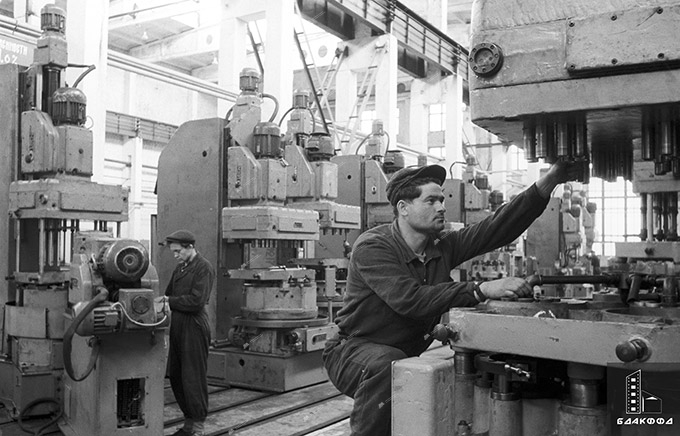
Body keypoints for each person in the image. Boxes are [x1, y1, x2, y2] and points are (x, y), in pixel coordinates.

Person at [322, 161, 577, 436]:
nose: (442, 206)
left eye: (442, 199)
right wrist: (480, 290)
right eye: (431, 200)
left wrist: (550, 180)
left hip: (400, 353)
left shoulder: (441, 247)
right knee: (390, 367)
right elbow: (409, 299)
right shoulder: (373, 246)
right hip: (353, 350)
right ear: (403, 208)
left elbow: (496, 227)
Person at [163, 230, 214, 436]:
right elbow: (168, 294)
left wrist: (169, 302)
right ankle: (188, 424)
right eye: (173, 252)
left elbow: (196, 301)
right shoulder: (180, 269)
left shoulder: (204, 268)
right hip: (178, 324)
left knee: (193, 376)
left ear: (189, 247)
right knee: (177, 375)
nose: (175, 255)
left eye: (178, 251)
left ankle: (198, 426)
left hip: (194, 324)